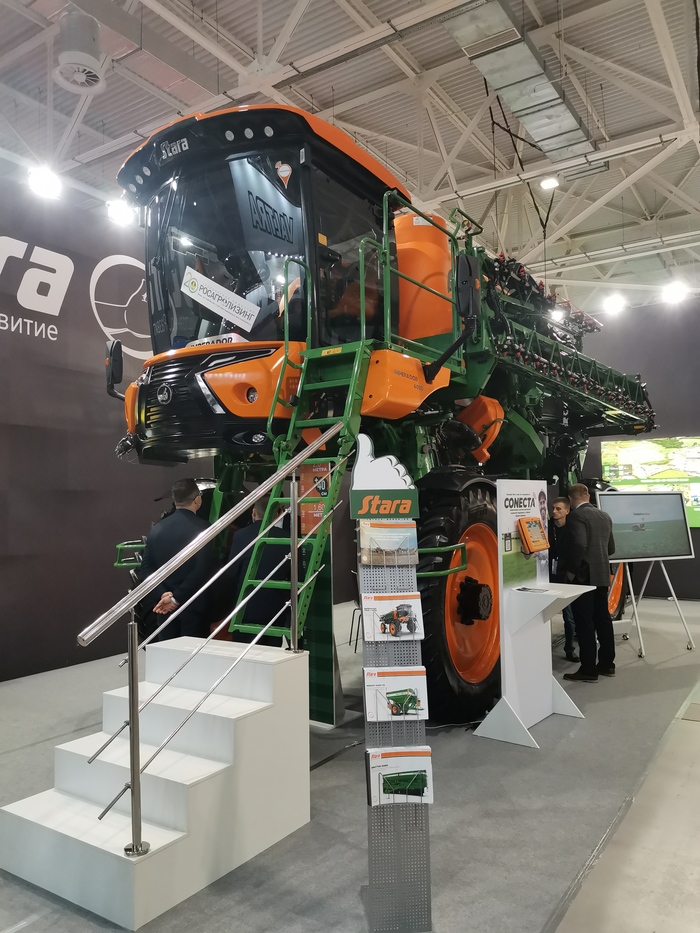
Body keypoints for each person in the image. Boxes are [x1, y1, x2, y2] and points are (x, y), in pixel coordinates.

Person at [138, 478, 213, 640]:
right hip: (193, 606)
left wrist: (163, 595)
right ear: (197, 499)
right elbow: (202, 569)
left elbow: (146, 570)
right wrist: (175, 598)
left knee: (166, 651)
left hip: (163, 607)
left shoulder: (157, 528)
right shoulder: (203, 528)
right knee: (192, 653)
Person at [561, 483, 616, 682]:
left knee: (584, 623)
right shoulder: (605, 516)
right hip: (601, 575)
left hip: (583, 577)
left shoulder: (576, 516)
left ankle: (589, 669)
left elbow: (578, 545)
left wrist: (571, 572)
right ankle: (607, 664)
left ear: (570, 499)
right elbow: (611, 549)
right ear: (588, 497)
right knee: (603, 620)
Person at [227, 494, 291, 643]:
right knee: (271, 649)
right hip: (275, 608)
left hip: (246, 606)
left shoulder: (240, 536)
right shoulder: (287, 538)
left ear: (253, 512)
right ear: (277, 515)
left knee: (243, 648)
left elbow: (231, 572)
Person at [549, 497, 579, 663]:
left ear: (567, 511)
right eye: (553, 508)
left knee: (569, 616)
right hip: (549, 575)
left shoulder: (573, 529)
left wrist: (570, 574)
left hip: (565, 577)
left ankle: (569, 648)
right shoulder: (547, 527)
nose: (554, 511)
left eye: (558, 509)